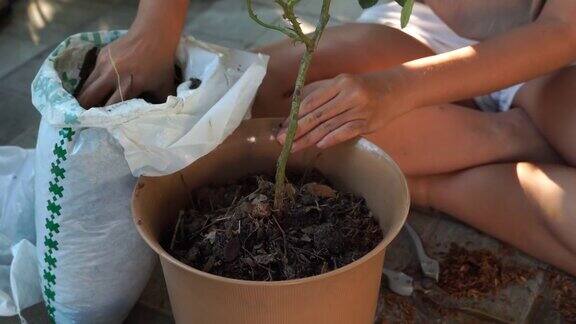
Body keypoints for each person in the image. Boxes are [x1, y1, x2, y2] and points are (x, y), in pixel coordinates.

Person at [77, 0, 576, 276]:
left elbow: (561, 30)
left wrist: (396, 90)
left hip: (552, 57)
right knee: (267, 90)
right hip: (426, 24)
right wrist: (155, 29)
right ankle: (479, 155)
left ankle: (411, 170)